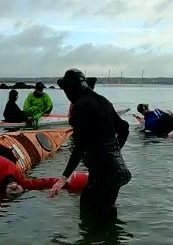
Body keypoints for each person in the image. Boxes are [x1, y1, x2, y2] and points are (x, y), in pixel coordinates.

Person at [50, 68, 131, 217]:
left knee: (88, 215)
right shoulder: (102, 100)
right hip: (118, 171)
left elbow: (79, 146)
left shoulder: (82, 105)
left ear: (70, 89)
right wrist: (115, 151)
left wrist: (63, 178)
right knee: (106, 212)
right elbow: (124, 128)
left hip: (104, 174)